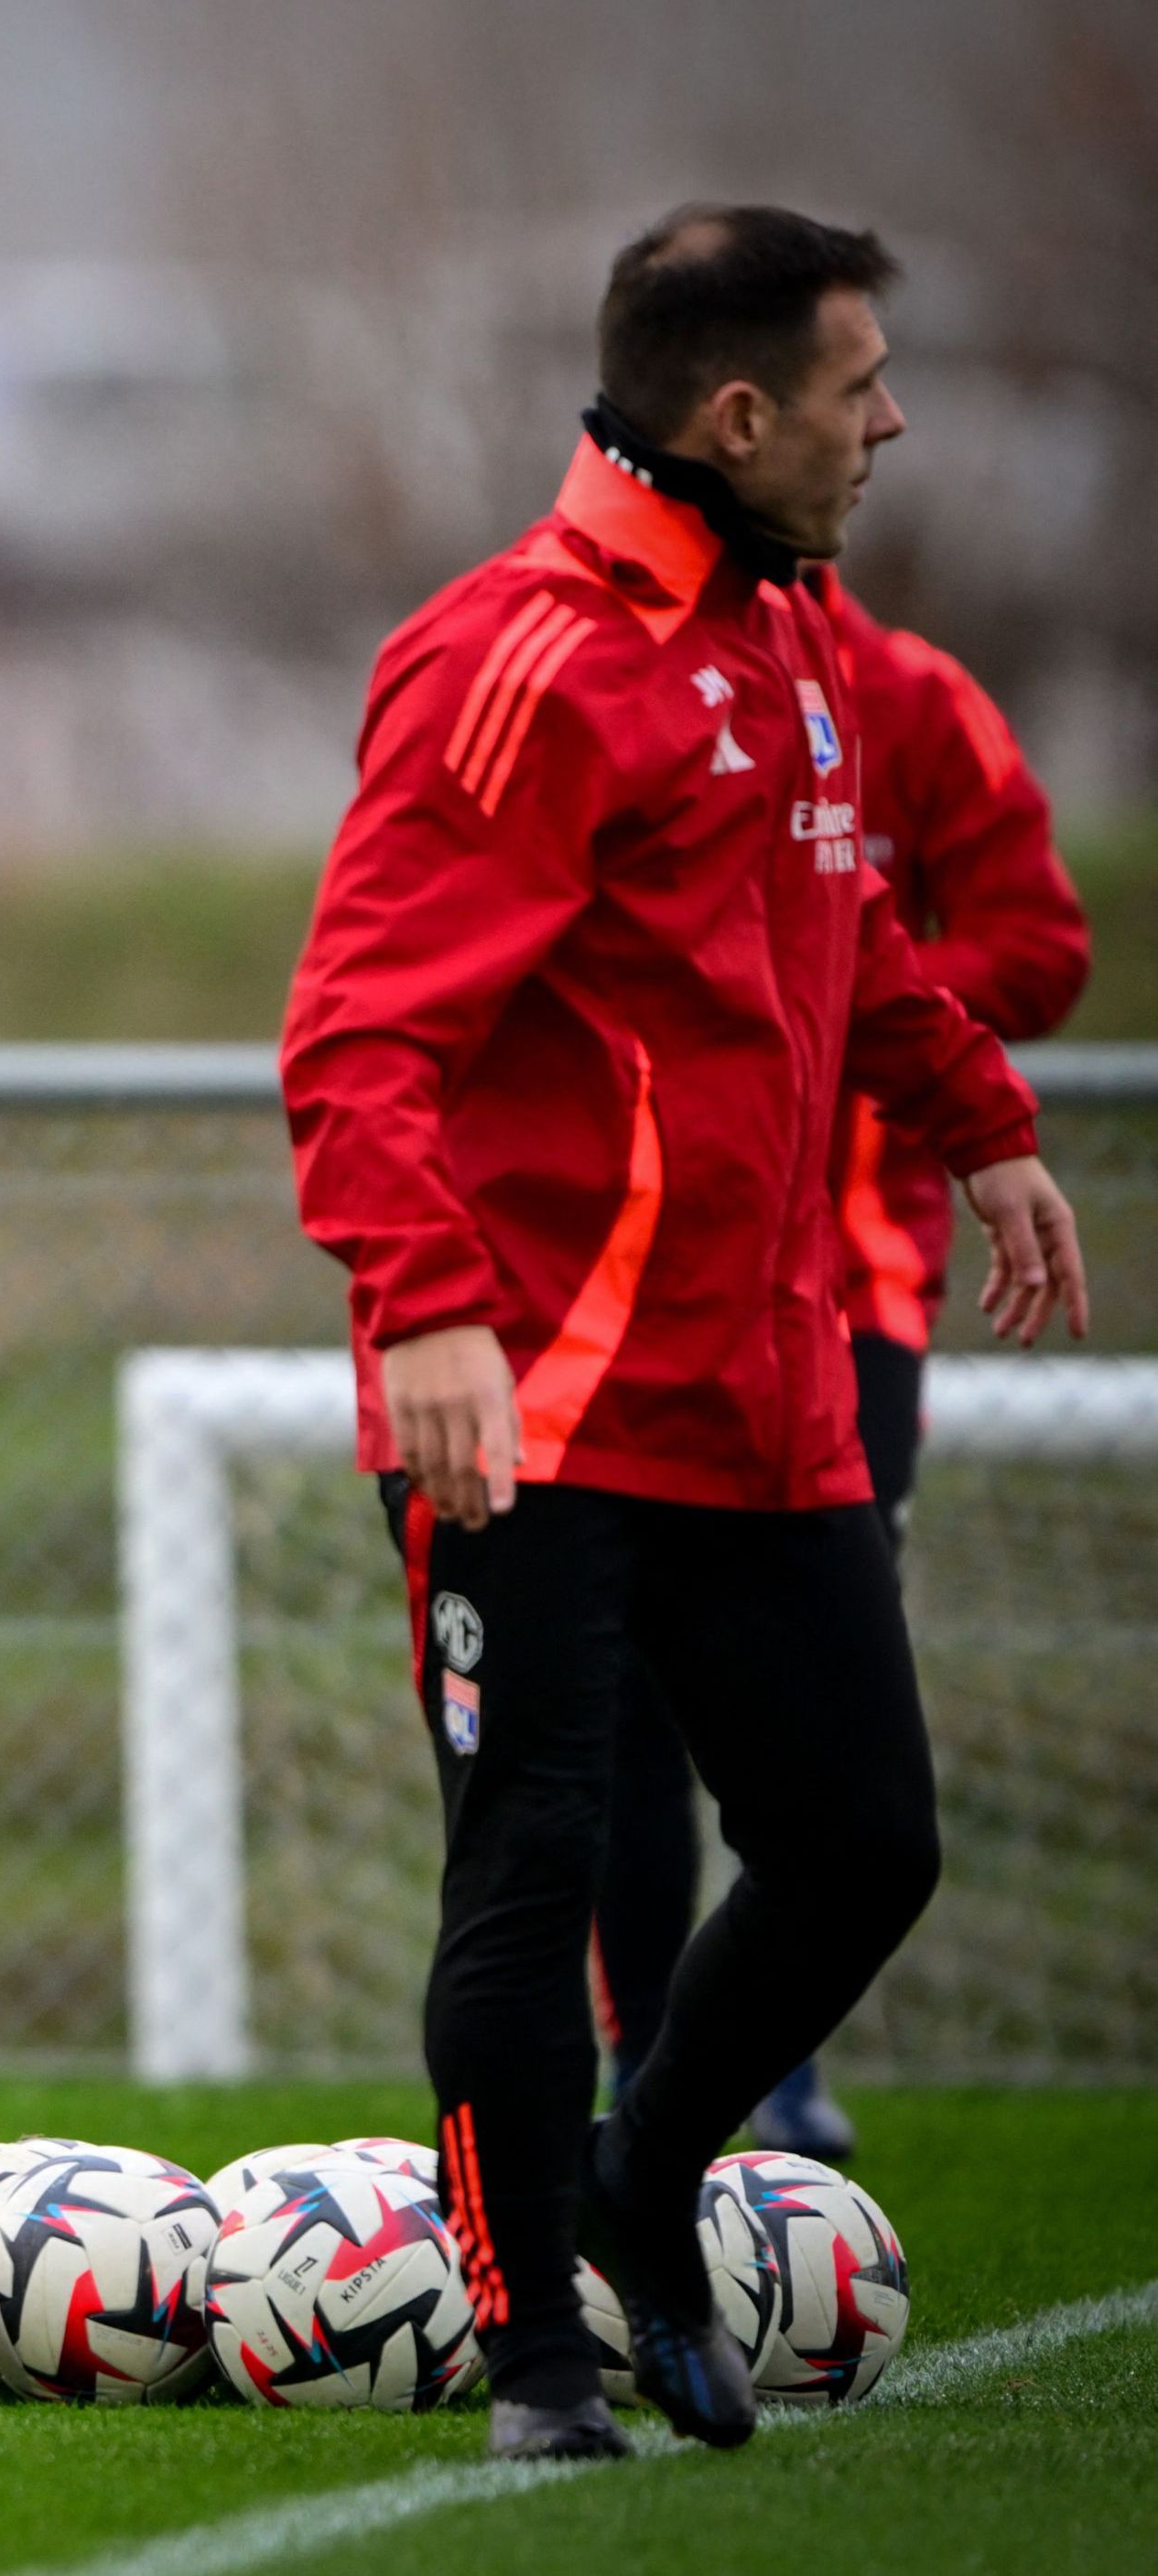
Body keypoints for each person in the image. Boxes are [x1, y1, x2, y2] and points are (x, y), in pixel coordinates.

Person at [280, 202, 1091, 2463]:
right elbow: (355, 1035)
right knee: (530, 1867)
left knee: (865, 1840)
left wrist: (982, 1127)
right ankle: (535, 2350)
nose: (890, 424)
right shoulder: (514, 656)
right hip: (525, 1408)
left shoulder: (807, 640)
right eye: (857, 390)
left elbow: (845, 947)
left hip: (763, 1396)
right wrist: (424, 1308)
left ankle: (647, 2172)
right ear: (736, 417)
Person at [591, 578, 1085, 2168]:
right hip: (651, 1297)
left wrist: (829, 994)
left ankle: (767, 2062)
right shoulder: (617, 675)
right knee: (622, 1712)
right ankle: (650, 2066)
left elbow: (1039, 944)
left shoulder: (912, 696)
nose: (874, 437)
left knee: (809, 1731)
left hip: (849, 1290)